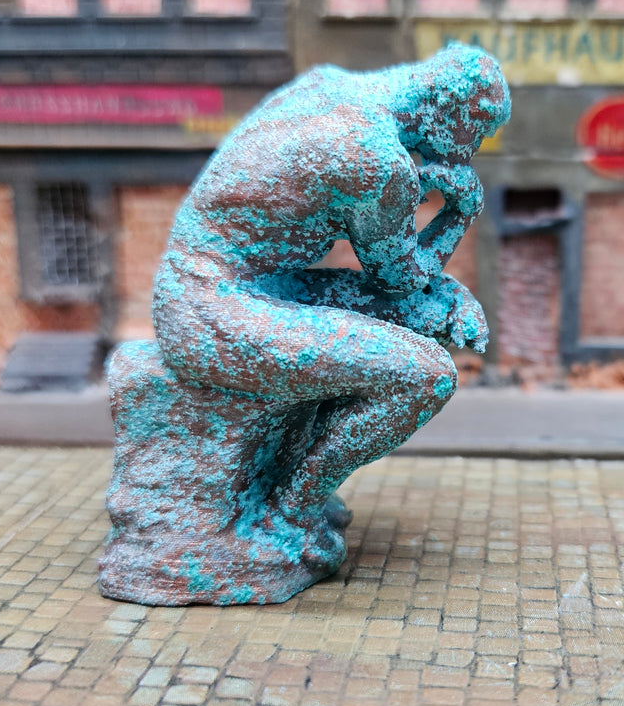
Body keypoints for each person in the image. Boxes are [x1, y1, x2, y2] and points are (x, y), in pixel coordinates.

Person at [150, 44, 510, 563]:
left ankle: (290, 470)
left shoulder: (326, 84)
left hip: (235, 285)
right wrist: (459, 212)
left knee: (428, 312)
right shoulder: (375, 160)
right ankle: (290, 512)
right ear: (451, 114)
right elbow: (401, 279)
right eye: (478, 134)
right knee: (426, 377)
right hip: (209, 310)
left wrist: (441, 282)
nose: (472, 150)